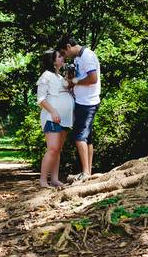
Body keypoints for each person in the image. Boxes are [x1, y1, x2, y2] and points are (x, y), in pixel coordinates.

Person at [56, 35, 100, 182]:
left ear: (69, 47)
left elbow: (93, 78)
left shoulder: (87, 56)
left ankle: (86, 172)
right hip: (81, 101)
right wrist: (70, 79)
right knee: (87, 137)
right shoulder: (78, 58)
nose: (65, 56)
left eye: (64, 53)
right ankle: (88, 172)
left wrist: (75, 81)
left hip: (88, 102)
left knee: (79, 136)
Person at [36, 49, 74, 188]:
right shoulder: (46, 76)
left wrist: (71, 77)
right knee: (52, 149)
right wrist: (53, 112)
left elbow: (71, 86)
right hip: (52, 117)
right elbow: (41, 99)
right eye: (59, 56)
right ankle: (43, 180)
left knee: (58, 149)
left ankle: (54, 179)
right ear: (52, 61)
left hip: (65, 119)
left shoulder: (59, 77)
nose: (63, 58)